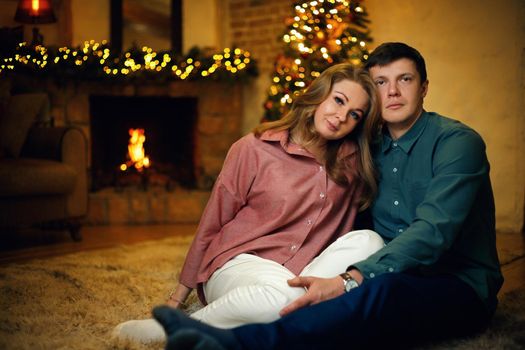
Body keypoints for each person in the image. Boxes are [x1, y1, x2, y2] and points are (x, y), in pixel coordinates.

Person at [151, 42, 504, 350]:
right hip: (383, 272)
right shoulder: (367, 151)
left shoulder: (456, 144)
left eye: (405, 80)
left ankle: (237, 342)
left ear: (424, 87)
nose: (393, 92)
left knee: (368, 293)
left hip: (456, 284)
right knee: (355, 290)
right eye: (381, 82)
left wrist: (349, 278)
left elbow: (433, 232)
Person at [112, 63, 385, 343]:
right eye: (338, 100)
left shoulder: (353, 164)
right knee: (289, 298)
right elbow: (213, 221)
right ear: (319, 94)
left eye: (354, 114)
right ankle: (176, 326)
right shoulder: (254, 148)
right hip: (239, 262)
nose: (341, 117)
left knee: (370, 241)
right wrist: (178, 297)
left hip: (302, 272)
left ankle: (260, 313)